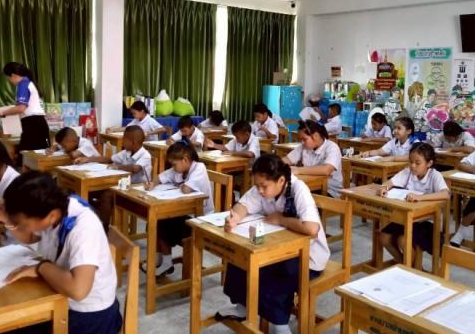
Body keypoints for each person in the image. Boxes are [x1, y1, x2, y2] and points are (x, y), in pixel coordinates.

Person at [216, 155, 329, 334]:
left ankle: (279, 324)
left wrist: (281, 219)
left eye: (264, 186)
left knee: (274, 271)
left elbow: (311, 228)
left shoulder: (299, 189)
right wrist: (234, 218)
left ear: (281, 180)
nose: (260, 190)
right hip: (277, 245)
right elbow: (243, 204)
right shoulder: (262, 186)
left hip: (308, 257)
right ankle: (242, 306)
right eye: (257, 186)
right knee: (240, 256)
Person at [4, 172, 122, 334]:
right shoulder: (54, 208)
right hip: (63, 298)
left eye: (22, 224)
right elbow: (30, 237)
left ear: (51, 216)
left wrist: (41, 267)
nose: (20, 227)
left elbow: (78, 290)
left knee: (12, 326)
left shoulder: (84, 227)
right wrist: (6, 219)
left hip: (90, 316)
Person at [142, 142, 213, 276]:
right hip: (183, 212)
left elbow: (186, 189)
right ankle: (160, 258)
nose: (173, 168)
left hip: (199, 218)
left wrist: (178, 185)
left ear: (185, 160)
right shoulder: (179, 169)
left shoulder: (199, 168)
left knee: (161, 223)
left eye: (174, 164)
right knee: (155, 220)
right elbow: (160, 177)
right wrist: (152, 183)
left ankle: (167, 263)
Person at [378, 143, 449, 262]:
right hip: (408, 218)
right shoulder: (408, 172)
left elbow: (446, 194)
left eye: (417, 163)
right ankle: (402, 263)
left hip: (428, 222)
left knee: (403, 240)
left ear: (429, 163)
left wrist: (420, 197)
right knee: (384, 237)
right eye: (410, 161)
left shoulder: (434, 175)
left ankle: (410, 268)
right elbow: (390, 182)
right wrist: (384, 188)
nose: (413, 166)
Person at [75, 126, 152, 228]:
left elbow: (135, 168)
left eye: (124, 139)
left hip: (138, 189)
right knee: (91, 192)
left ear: (133, 142)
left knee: (107, 195)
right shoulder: (127, 152)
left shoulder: (145, 155)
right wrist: (87, 159)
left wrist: (118, 167)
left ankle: (104, 227)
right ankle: (95, 218)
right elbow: (109, 159)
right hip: (123, 186)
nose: (122, 141)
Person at [0, 62, 50, 153]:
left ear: (13, 75)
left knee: (29, 156)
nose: (10, 81)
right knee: (31, 155)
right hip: (36, 123)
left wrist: (1, 113)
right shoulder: (27, 82)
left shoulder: (23, 84)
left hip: (33, 125)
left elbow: (21, 108)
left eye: (8, 78)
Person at [282, 120, 342, 197]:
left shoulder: (332, 147)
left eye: (304, 139)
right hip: (310, 186)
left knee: (295, 198)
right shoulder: (304, 147)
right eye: (301, 140)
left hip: (329, 190)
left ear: (316, 136)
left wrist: (298, 170)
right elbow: (287, 159)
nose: (302, 142)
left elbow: (326, 170)